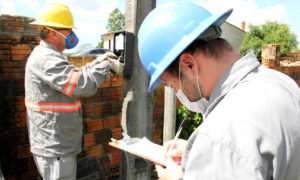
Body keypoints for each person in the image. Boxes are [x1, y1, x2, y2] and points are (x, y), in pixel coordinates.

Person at [138, 1, 300, 180]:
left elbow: (229, 146)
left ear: (189, 64)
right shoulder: (282, 83)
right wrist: (199, 154)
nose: (177, 92)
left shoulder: (220, 136)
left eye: (171, 85)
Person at [25, 3, 123, 180]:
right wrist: (106, 66)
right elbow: (80, 84)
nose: (72, 35)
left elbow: (73, 76)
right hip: (55, 146)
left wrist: (98, 62)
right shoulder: (46, 58)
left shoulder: (51, 56)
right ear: (53, 32)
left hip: (57, 143)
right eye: (68, 30)